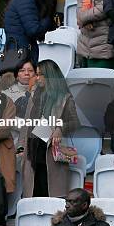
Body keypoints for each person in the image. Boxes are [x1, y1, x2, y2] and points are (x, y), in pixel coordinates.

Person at [17, 59, 79, 197]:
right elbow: (26, 124)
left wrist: (60, 128)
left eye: (40, 74)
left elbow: (74, 122)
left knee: (49, 193)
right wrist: (21, 147)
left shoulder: (64, 97)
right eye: (36, 74)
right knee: (33, 193)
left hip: (51, 153)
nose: (37, 78)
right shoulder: (35, 95)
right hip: (33, 151)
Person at [3, 0, 59, 64]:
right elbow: (33, 30)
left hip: (18, 49)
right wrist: (48, 19)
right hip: (22, 51)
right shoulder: (26, 0)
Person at [49, 188, 114, 226]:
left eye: (72, 202)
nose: (67, 206)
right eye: (66, 202)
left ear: (84, 205)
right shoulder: (58, 224)